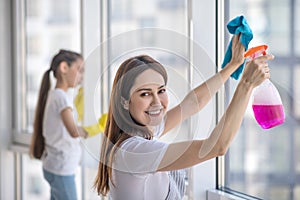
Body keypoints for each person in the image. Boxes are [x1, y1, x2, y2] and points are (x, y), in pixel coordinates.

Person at [94, 35, 274, 200]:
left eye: (161, 91)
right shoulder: (133, 151)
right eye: (145, 94)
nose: (157, 102)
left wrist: (232, 66)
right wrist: (246, 84)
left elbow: (191, 104)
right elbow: (215, 147)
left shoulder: (144, 131)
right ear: (125, 101)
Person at [29, 49, 107, 200]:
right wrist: (98, 127)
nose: (82, 77)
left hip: (54, 165)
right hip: (61, 170)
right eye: (79, 70)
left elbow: (65, 124)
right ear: (64, 68)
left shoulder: (56, 95)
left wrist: (77, 105)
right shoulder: (61, 97)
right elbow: (73, 131)